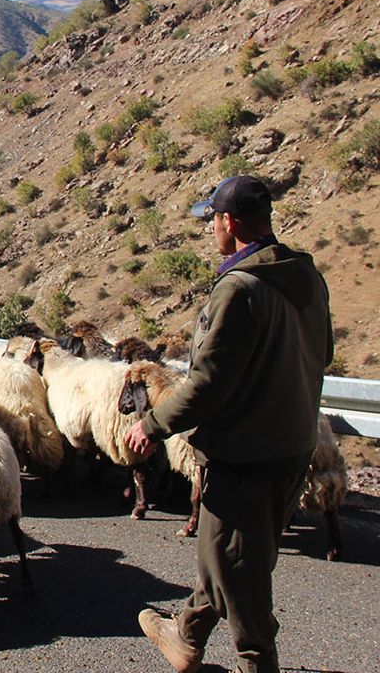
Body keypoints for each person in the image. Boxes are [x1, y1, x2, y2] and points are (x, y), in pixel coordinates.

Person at [123, 175, 333, 673]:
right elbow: (322, 354)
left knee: (241, 577)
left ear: (229, 221)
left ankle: (256, 662)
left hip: (246, 453)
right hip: (293, 446)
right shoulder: (305, 276)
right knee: (233, 555)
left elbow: (207, 384)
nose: (211, 228)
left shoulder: (239, 290)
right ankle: (186, 635)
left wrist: (151, 426)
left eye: (212, 219)